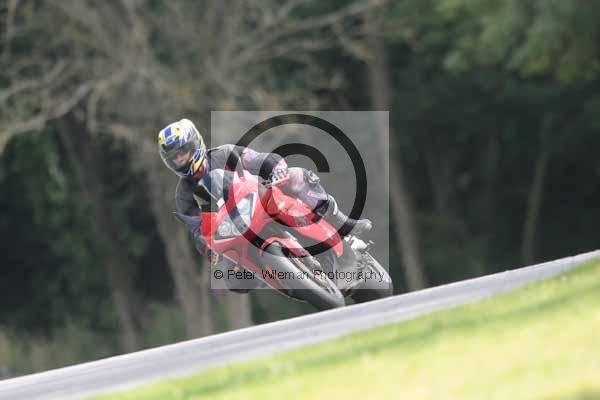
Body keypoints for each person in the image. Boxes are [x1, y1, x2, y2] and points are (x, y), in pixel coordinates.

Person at [158, 118, 372, 292]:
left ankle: (341, 223)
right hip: (234, 233)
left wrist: (275, 168)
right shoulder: (183, 195)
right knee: (232, 279)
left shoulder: (224, 153)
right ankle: (281, 277)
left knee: (297, 178)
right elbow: (198, 229)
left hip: (262, 199)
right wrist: (206, 247)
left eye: (182, 152)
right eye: (174, 158)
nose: (180, 160)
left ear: (195, 143)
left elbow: (256, 159)